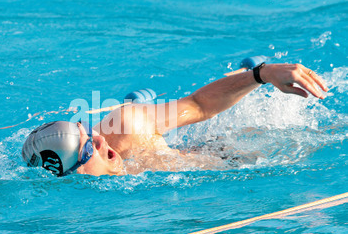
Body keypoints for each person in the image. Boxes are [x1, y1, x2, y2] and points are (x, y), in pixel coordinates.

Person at [22, 63, 328, 177]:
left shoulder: (129, 126)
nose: (100, 138)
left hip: (228, 155)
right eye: (88, 150)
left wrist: (262, 74)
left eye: (88, 131)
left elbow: (197, 105)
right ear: (67, 174)